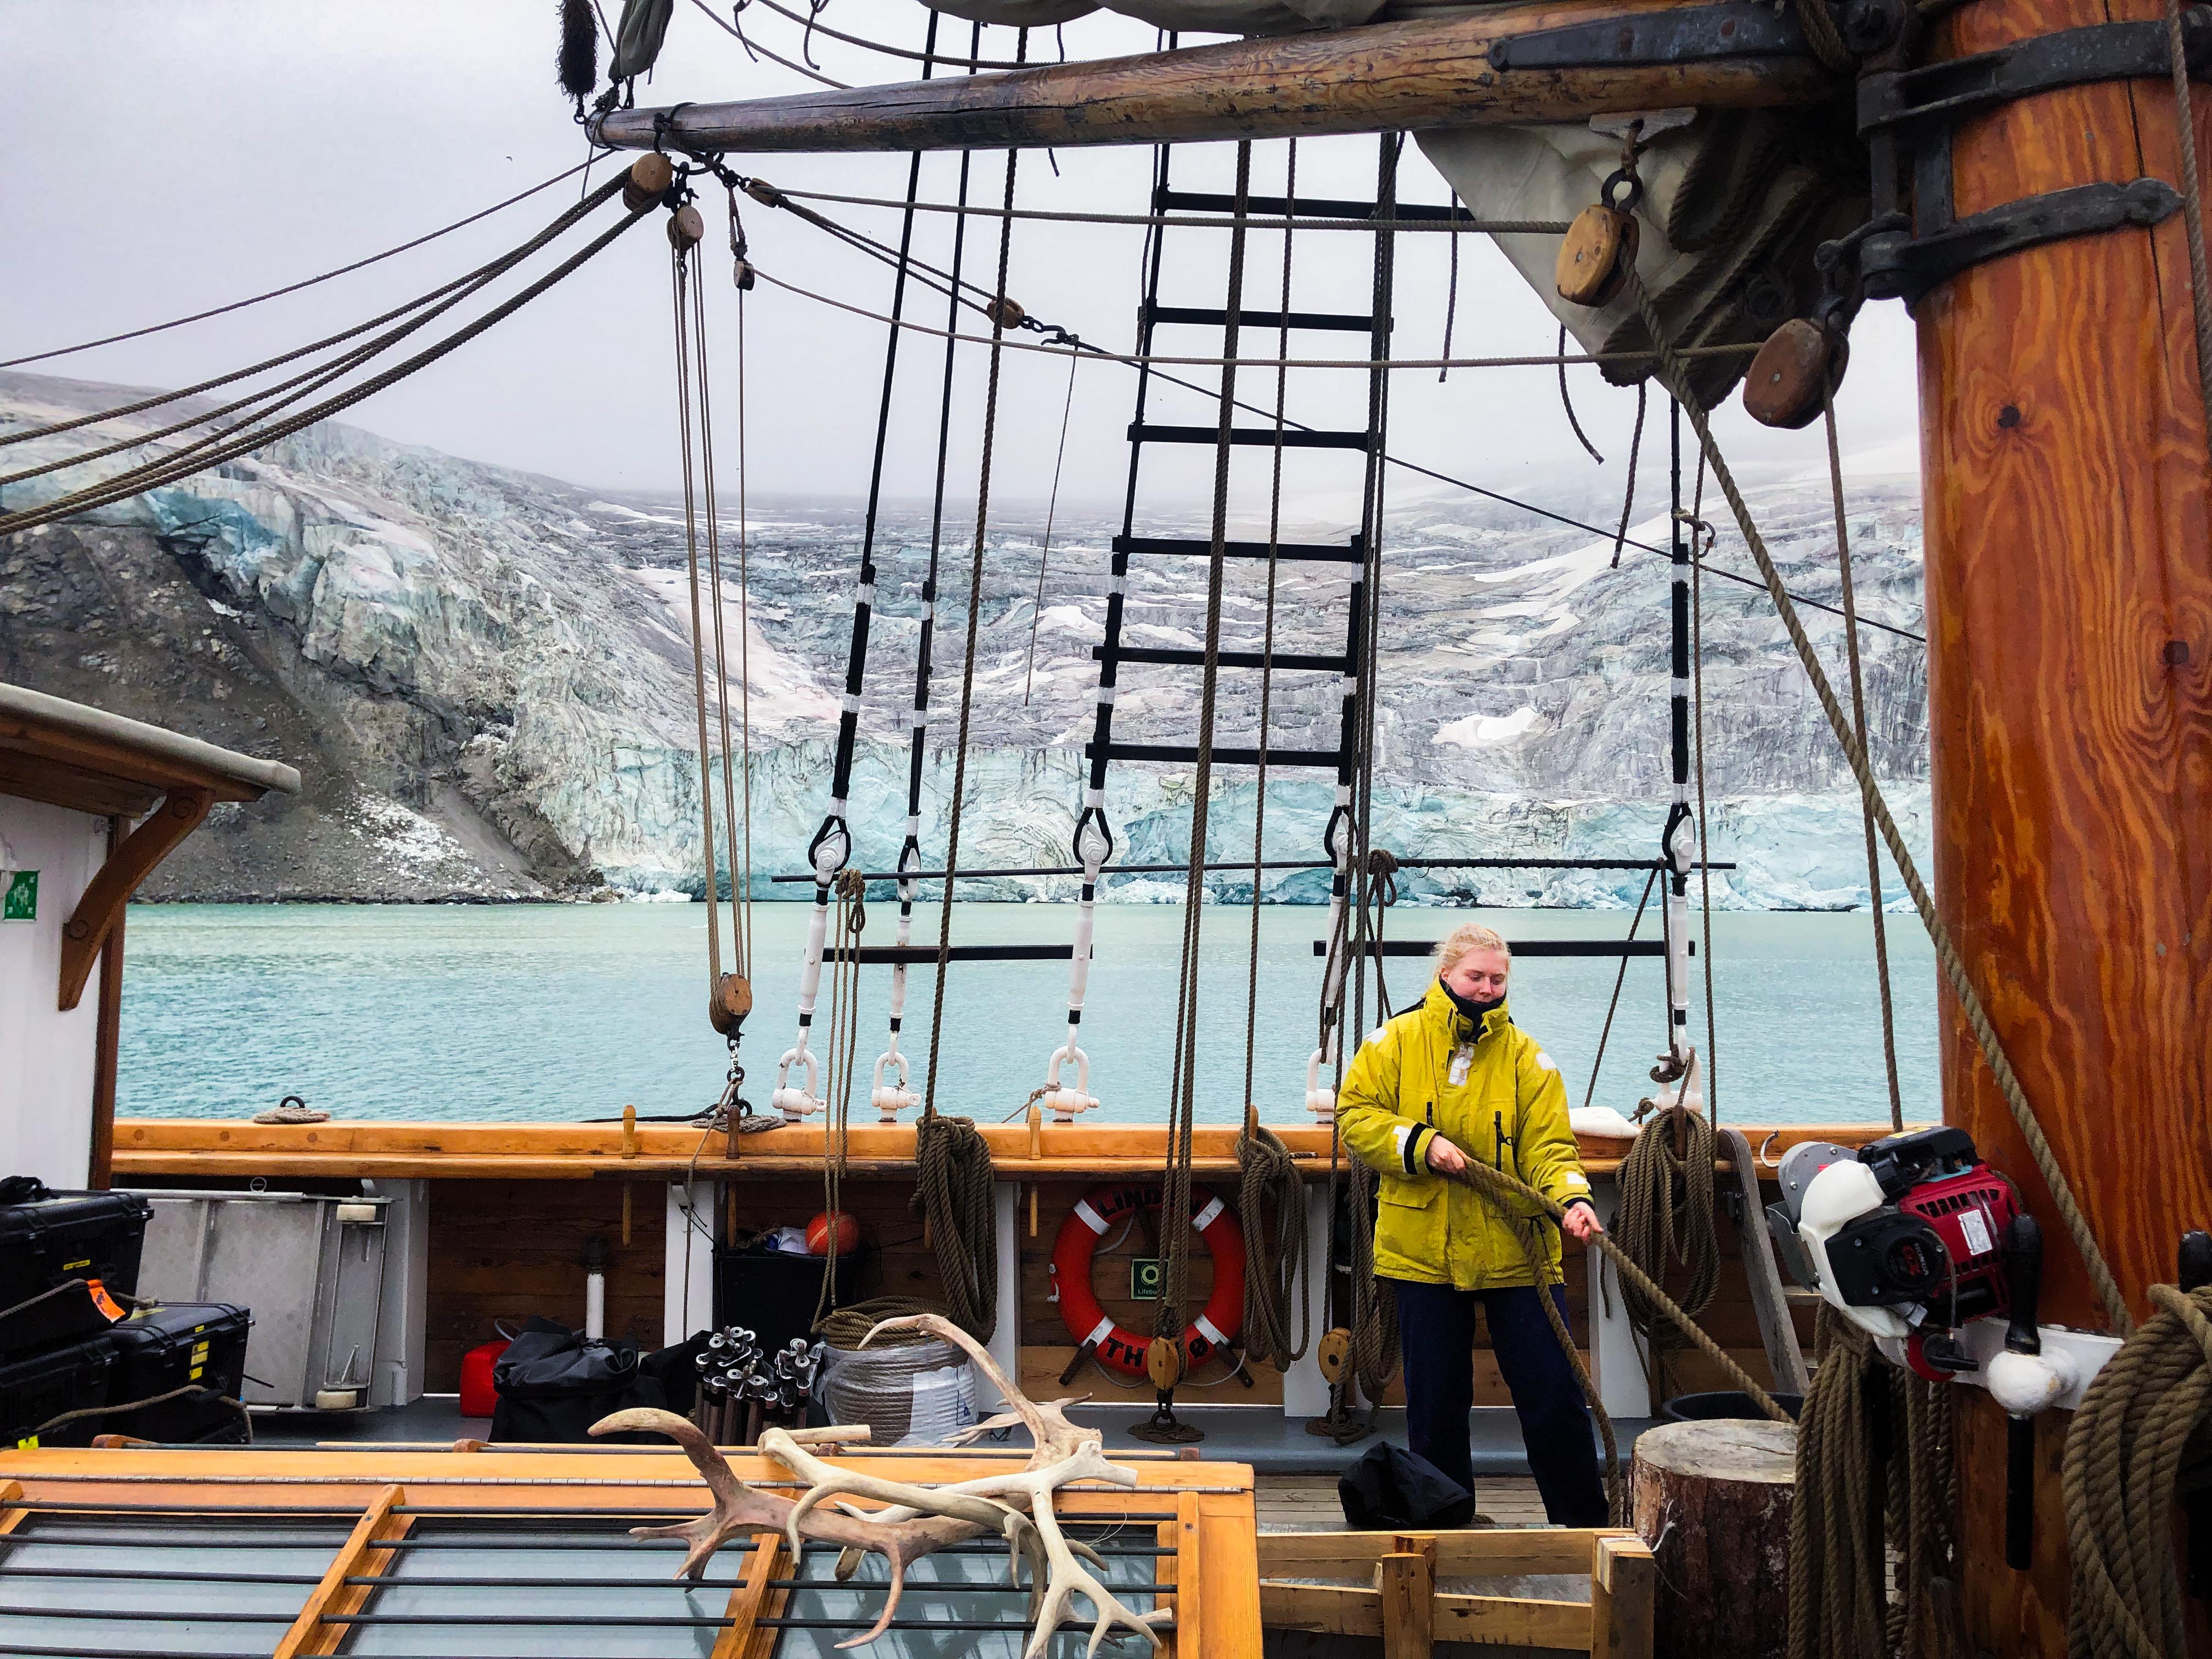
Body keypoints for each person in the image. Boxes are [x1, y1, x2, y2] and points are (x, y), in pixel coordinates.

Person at [1336, 920, 1609, 1526]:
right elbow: (1356, 1117)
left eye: (1497, 978)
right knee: (1436, 1405)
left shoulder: (1528, 1059)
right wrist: (1418, 1143)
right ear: (1445, 975)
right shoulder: (1392, 1044)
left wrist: (1573, 1200)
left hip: (1519, 1253)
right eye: (1475, 976)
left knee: (1554, 1396)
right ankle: (1445, 1530)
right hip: (1424, 1253)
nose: (1486, 987)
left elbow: (1551, 1149)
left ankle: (1586, 1528)